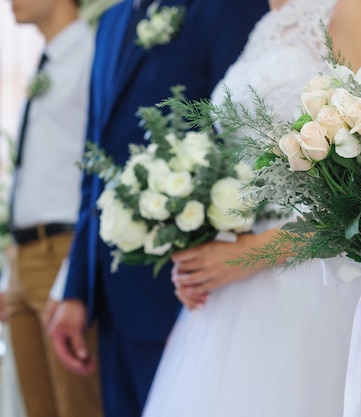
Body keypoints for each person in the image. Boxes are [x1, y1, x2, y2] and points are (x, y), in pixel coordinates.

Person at [141, 0, 361, 416]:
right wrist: (207, 249)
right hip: (236, 293)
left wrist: (252, 254)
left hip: (321, 283)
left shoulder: (348, 9)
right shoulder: (264, 26)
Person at [47, 1, 268, 416]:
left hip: (188, 288)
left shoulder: (227, 7)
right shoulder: (111, 21)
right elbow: (94, 160)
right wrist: (75, 289)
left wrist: (210, 279)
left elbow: (242, 141)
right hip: (112, 292)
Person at [4, 0, 103, 416]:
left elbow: (98, 169)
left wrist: (71, 277)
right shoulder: (45, 65)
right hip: (25, 258)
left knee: (77, 405)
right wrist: (14, 268)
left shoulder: (92, 55)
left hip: (62, 252)